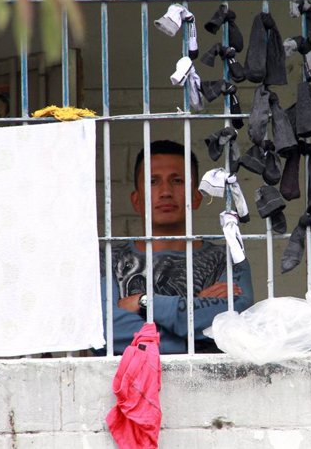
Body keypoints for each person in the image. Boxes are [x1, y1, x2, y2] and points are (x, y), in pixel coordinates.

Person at [99, 140, 253, 354]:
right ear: (136, 200)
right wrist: (194, 322)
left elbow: (234, 322)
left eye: (178, 181)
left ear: (197, 197)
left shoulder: (227, 258)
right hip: (125, 386)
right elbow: (103, 332)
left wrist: (143, 302)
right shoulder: (107, 258)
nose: (165, 192)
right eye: (153, 181)